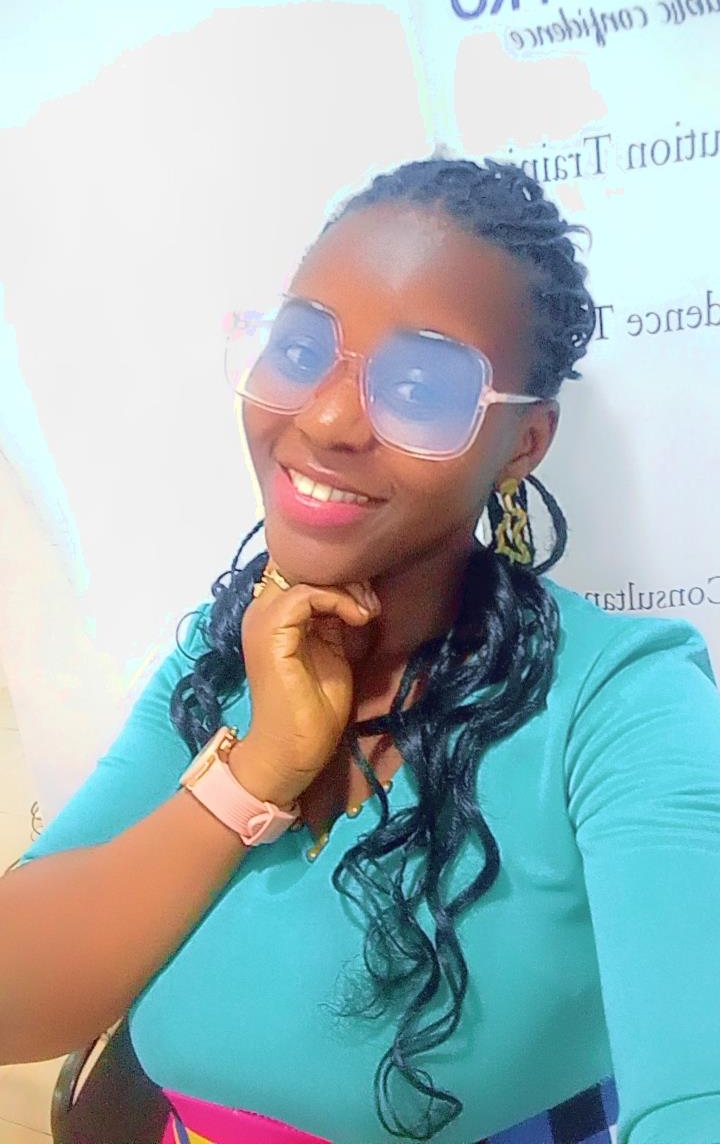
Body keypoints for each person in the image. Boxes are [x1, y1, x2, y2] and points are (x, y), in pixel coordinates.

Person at [2, 156, 720, 1144]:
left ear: (523, 443)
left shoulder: (619, 703)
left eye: (421, 385)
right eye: (301, 348)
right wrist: (255, 771)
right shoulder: (224, 661)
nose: (327, 417)